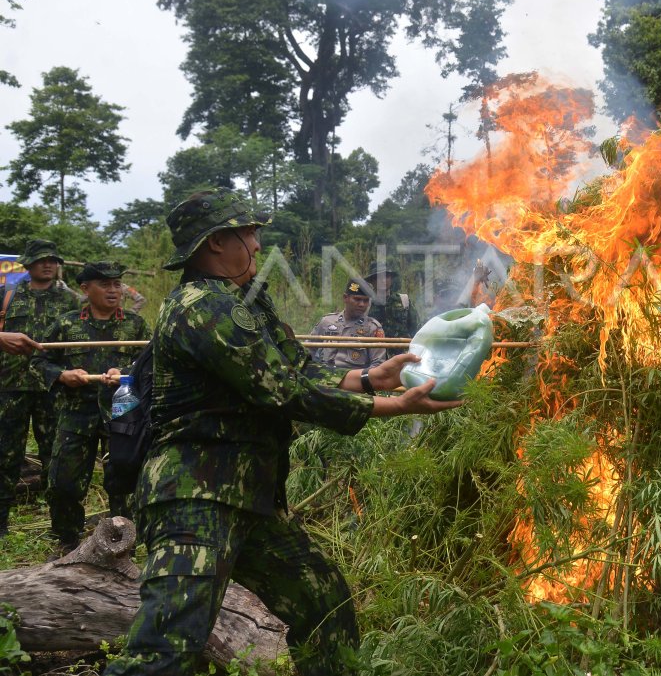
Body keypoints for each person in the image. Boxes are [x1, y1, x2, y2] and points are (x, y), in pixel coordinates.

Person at [104, 188, 462, 675]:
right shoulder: (202, 306)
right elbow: (282, 391)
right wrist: (390, 405)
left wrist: (367, 378)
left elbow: (295, 366)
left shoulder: (243, 301)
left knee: (323, 604)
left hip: (250, 495)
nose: (256, 244)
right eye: (248, 233)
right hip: (195, 495)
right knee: (166, 648)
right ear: (215, 243)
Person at [32, 261, 149, 551]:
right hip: (76, 412)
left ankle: (123, 544)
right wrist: (62, 375)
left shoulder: (135, 324)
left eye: (117, 284)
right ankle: (67, 541)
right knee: (63, 482)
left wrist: (125, 373)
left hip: (123, 410)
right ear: (86, 289)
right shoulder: (67, 324)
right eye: (105, 284)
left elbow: (151, 366)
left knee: (123, 481)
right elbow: (38, 362)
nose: (113, 290)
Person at [0, 240, 80, 537]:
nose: (48, 264)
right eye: (42, 260)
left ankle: (58, 524)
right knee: (6, 455)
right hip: (11, 386)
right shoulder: (7, 295)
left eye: (53, 260)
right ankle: (1, 524)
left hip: (53, 387)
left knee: (54, 456)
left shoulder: (71, 300)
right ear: (28, 264)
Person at [310, 279, 387, 369]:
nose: (361, 304)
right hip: (323, 377)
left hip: (353, 379)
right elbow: (309, 350)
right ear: (345, 298)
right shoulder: (327, 322)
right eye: (357, 299)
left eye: (365, 301)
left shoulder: (372, 328)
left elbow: (378, 365)